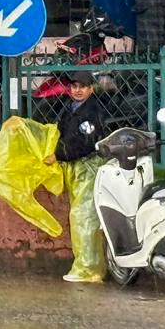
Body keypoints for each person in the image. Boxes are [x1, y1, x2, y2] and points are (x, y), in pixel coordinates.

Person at [44, 71, 108, 281]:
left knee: (85, 216)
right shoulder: (72, 108)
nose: (77, 90)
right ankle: (87, 266)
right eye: (74, 86)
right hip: (77, 168)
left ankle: (89, 269)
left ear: (91, 89)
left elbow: (85, 143)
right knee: (79, 215)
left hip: (88, 167)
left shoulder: (92, 112)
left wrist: (59, 154)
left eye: (82, 87)